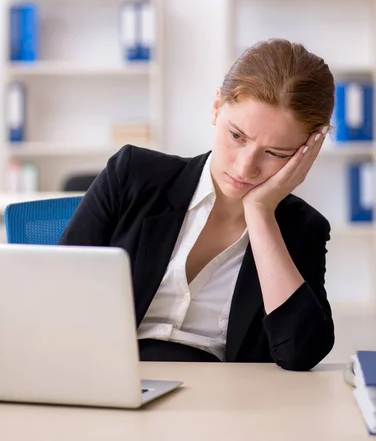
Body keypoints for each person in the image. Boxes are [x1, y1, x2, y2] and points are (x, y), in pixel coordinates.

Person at [60, 38, 335, 370]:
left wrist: (260, 214)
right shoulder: (133, 175)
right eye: (237, 136)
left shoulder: (302, 229)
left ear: (306, 153)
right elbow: (57, 294)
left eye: (275, 154)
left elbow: (299, 354)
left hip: (223, 407)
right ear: (217, 107)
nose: (245, 167)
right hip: (110, 378)